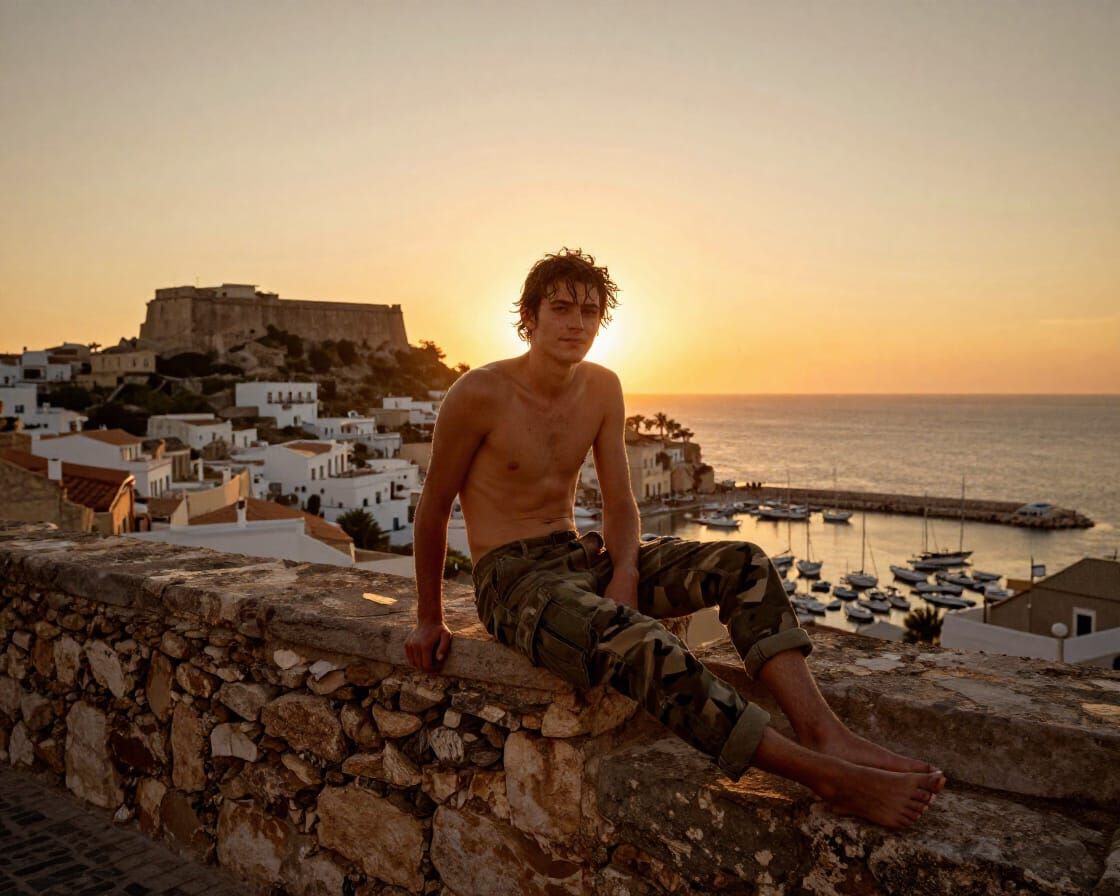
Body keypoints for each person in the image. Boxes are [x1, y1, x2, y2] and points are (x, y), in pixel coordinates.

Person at [405, 248, 944, 829]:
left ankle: (824, 733)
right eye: (560, 308)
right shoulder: (478, 394)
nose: (576, 323)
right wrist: (429, 617)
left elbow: (619, 500)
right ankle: (825, 777)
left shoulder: (602, 388)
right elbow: (433, 509)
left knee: (742, 561)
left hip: (578, 554)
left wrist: (626, 571)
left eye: (590, 312)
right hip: (513, 580)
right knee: (639, 641)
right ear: (528, 317)